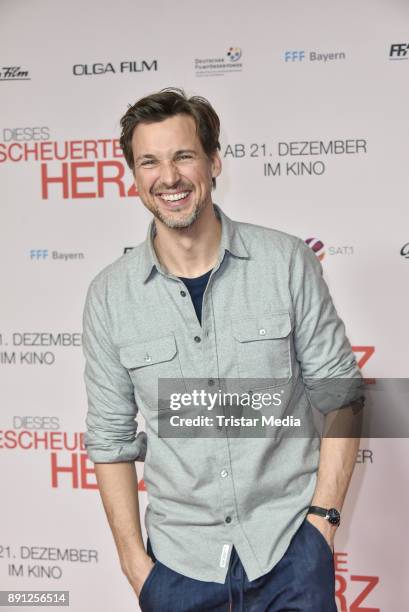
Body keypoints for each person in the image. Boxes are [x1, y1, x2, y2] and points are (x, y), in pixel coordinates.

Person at [82, 88, 363, 611]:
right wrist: (133, 563)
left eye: (183, 155)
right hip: (177, 568)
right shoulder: (109, 296)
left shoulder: (285, 263)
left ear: (213, 161)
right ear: (134, 176)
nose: (169, 177)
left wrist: (322, 522)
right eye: (150, 161)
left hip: (289, 555)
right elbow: (110, 439)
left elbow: (342, 394)